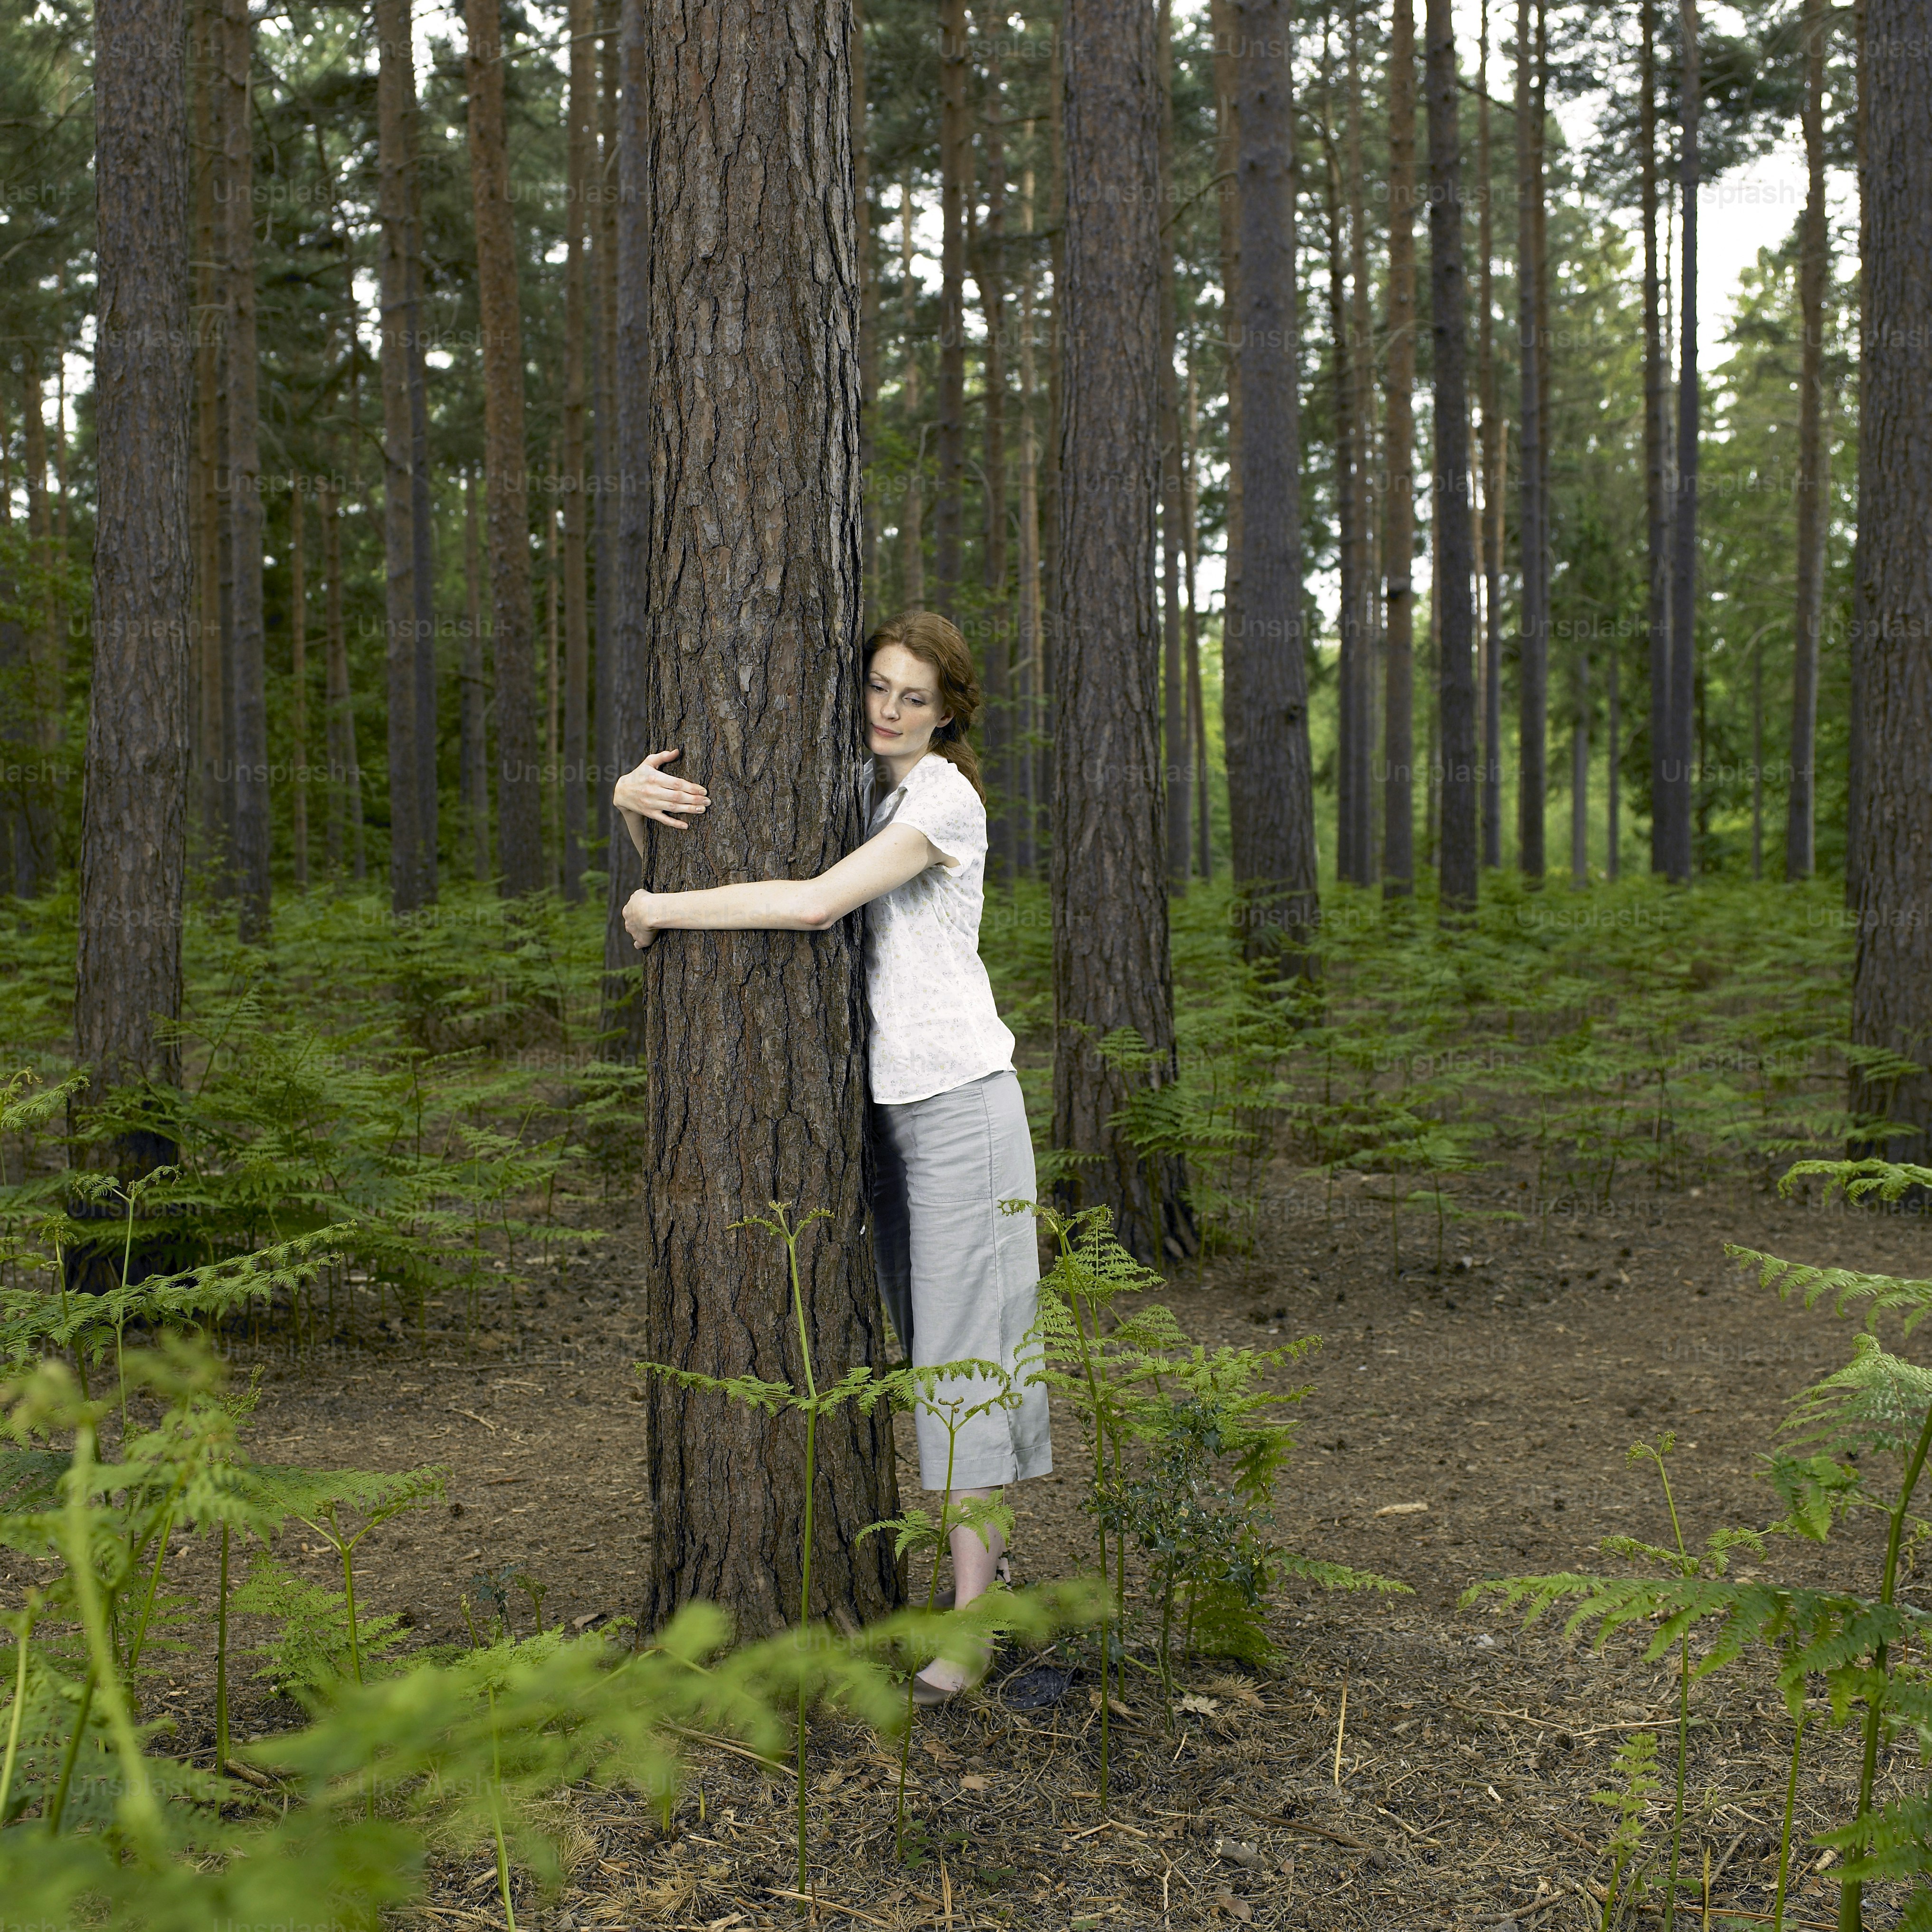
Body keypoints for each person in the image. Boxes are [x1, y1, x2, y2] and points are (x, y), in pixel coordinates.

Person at [612, 610, 1052, 1701]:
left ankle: (972, 1633)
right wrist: (627, 809)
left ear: (948, 711)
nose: (888, 710)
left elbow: (809, 906)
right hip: (888, 1118)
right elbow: (743, 851)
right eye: (878, 688)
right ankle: (978, 1589)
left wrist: (658, 906)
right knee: (927, 1359)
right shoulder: (868, 791)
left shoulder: (941, 798)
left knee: (963, 1374)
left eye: (914, 696)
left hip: (961, 1110)